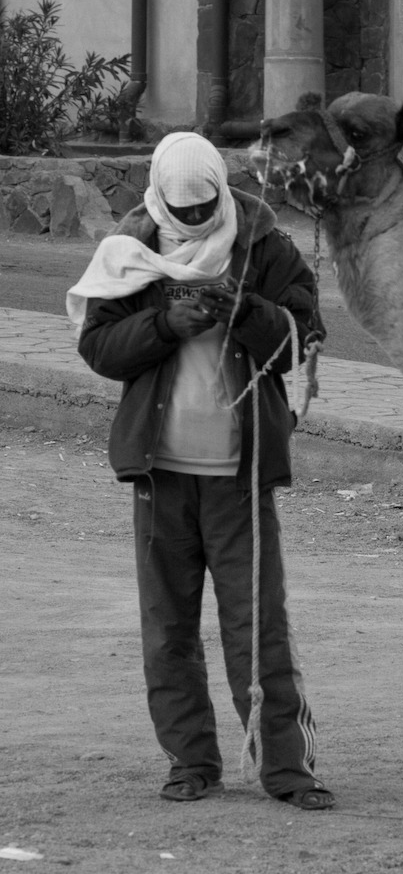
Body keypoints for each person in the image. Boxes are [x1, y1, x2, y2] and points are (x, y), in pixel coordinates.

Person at [67, 132, 334, 810]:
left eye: (204, 209)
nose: (193, 222)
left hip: (239, 475)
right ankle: (191, 761)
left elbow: (303, 336)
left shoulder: (262, 244)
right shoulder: (132, 249)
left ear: (221, 188)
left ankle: (287, 771)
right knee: (168, 627)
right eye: (181, 212)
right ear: (159, 196)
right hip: (161, 474)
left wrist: (247, 313)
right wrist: (166, 324)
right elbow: (98, 345)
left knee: (258, 625)